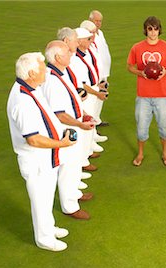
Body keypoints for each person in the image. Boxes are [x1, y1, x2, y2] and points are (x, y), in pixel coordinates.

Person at [7, 52, 75, 252]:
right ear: (30, 73)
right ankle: (44, 239)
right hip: (36, 160)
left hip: (46, 157)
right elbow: (33, 139)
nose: (46, 70)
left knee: (46, 196)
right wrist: (61, 143)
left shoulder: (32, 88)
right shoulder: (22, 101)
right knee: (41, 198)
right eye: (42, 67)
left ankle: (49, 227)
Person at [41, 40, 94, 220]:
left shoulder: (60, 73)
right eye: (67, 52)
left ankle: (74, 195)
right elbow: (60, 113)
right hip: (66, 130)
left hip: (73, 124)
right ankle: (69, 206)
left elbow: (71, 100)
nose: (72, 54)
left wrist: (83, 113)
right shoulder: (52, 80)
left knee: (74, 164)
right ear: (57, 57)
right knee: (68, 167)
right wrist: (79, 124)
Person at [127, 16, 166, 166]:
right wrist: (140, 73)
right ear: (145, 30)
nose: (153, 32)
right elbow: (130, 66)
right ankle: (140, 153)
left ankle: (165, 153)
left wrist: (165, 72)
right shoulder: (137, 47)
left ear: (159, 29)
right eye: (150, 29)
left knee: (164, 126)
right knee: (141, 127)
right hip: (143, 96)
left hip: (162, 95)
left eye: (156, 28)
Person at [70, 27, 109, 171]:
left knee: (90, 123)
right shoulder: (75, 59)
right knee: (84, 126)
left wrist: (100, 84)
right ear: (79, 41)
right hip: (87, 95)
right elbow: (82, 84)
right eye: (87, 38)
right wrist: (96, 92)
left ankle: (87, 153)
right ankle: (83, 160)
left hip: (93, 89)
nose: (91, 40)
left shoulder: (85, 53)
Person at [89, 10, 112, 127]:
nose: (98, 23)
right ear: (90, 20)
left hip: (104, 72)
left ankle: (97, 119)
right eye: (96, 21)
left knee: (102, 96)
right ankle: (92, 123)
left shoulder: (100, 33)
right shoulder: (88, 36)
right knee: (94, 97)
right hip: (96, 73)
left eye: (100, 21)